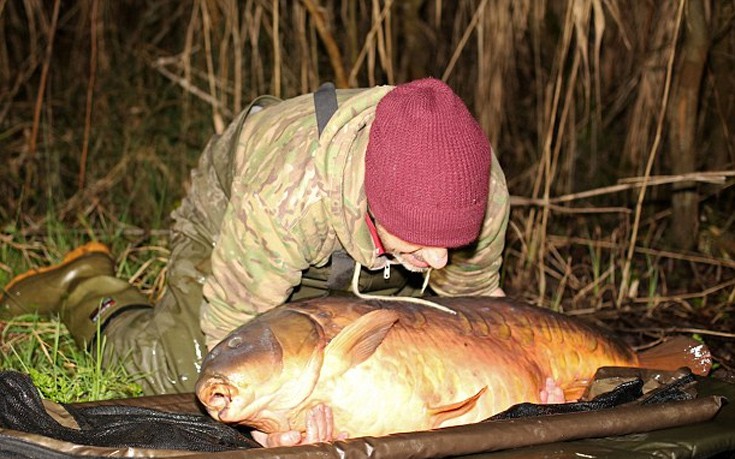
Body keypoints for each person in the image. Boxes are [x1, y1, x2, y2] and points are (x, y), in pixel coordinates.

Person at [1, 77, 509, 405]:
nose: (440, 260)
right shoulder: (286, 193)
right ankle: (88, 288)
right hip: (237, 230)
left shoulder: (478, 190)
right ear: (371, 204)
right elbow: (231, 331)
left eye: (453, 242)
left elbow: (478, 311)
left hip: (363, 259)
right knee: (195, 377)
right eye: (423, 243)